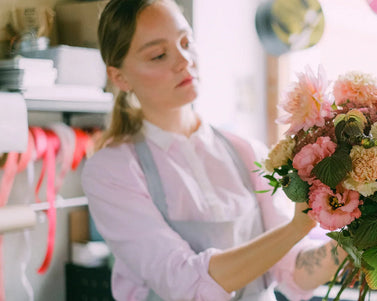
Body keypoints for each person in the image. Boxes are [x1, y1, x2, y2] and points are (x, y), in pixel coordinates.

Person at [81, 0, 346, 300]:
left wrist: (357, 234)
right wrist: (297, 227)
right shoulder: (112, 170)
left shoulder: (246, 152)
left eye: (185, 41)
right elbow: (184, 283)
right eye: (158, 55)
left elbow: (294, 268)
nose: (183, 60)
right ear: (119, 77)